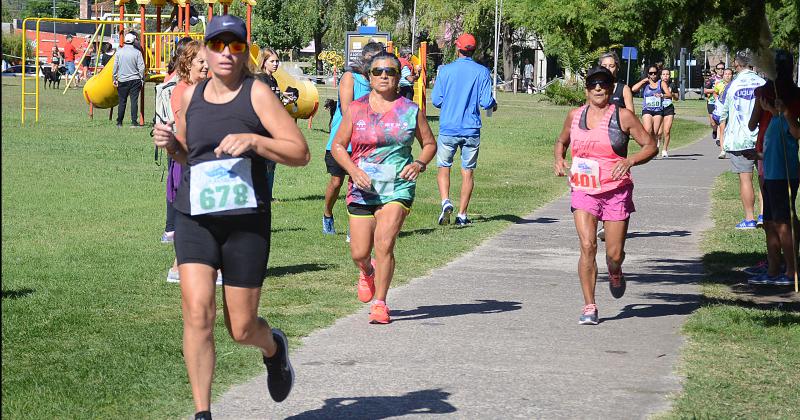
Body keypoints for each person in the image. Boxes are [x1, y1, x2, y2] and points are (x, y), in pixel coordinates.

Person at [152, 15, 309, 419]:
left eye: (235, 45)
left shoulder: (257, 94)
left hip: (244, 222)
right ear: (204, 49)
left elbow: (300, 152)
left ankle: (272, 347)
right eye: (217, 45)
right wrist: (172, 145)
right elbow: (192, 155)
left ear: (245, 51)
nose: (225, 52)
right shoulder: (187, 97)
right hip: (196, 216)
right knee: (197, 311)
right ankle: (202, 413)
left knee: (241, 329)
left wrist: (255, 140)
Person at [331, 51, 437, 324]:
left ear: (398, 76)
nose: (384, 76)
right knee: (359, 253)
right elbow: (338, 146)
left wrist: (419, 164)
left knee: (385, 243)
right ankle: (366, 270)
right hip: (362, 188)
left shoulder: (410, 110)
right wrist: (353, 170)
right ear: (369, 76)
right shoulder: (356, 109)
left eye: (390, 71)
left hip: (397, 187)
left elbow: (429, 144)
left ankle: (380, 302)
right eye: (378, 71)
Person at [554, 66, 658, 325]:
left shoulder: (623, 117)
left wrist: (631, 160)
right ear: (586, 89)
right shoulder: (574, 115)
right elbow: (561, 141)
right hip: (584, 190)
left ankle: (615, 270)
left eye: (603, 83)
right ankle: (589, 305)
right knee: (587, 246)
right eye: (593, 84)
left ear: (611, 88)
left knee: (613, 253)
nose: (598, 88)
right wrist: (559, 159)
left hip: (616, 191)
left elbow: (651, 145)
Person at [745, 49, 799, 286]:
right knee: (770, 220)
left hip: (783, 173)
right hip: (771, 165)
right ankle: (774, 268)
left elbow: (795, 133)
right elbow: (769, 148)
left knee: (783, 221)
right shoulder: (774, 115)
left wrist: (782, 112)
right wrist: (757, 154)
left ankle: (790, 270)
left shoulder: (783, 115)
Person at [431, 33, 496, 226]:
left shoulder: (445, 70)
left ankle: (445, 201)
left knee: (444, 167)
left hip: (448, 128)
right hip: (471, 129)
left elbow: (436, 100)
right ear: (473, 50)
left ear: (457, 48)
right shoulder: (482, 72)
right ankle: (462, 214)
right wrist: (493, 103)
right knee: (467, 172)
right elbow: (486, 102)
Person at [323, 42, 385, 236]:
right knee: (336, 182)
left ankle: (356, 226)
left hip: (365, 142)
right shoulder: (350, 77)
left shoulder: (377, 80)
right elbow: (347, 109)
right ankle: (327, 214)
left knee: (361, 184)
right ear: (365, 59)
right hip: (343, 140)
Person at [163, 40, 209, 283]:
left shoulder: (207, 88)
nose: (205, 66)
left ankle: (182, 268)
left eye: (206, 61)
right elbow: (186, 128)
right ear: (187, 64)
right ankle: (179, 268)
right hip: (188, 158)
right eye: (200, 62)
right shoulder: (182, 90)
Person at [719, 53, 765, 229]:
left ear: (736, 65)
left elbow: (722, 113)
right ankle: (764, 215)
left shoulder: (731, 86)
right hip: (761, 137)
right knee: (763, 178)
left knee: (745, 179)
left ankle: (749, 218)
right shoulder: (762, 83)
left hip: (740, 139)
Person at [256, 47, 289, 201]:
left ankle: (268, 196)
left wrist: (285, 99)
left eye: (277, 61)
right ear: (264, 62)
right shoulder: (259, 79)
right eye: (272, 61)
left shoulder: (273, 79)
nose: (276, 64)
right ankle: (260, 196)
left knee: (271, 164)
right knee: (262, 165)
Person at [113, 33, 145, 128]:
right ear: (133, 41)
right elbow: (141, 67)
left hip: (122, 80)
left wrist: (114, 78)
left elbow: (115, 67)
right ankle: (134, 122)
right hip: (135, 80)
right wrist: (142, 78)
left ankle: (119, 122)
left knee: (122, 101)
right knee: (134, 101)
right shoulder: (137, 52)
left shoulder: (119, 52)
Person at [631, 65, 666, 139]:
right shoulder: (645, 84)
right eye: (651, 73)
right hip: (647, 109)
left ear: (657, 73)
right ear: (648, 74)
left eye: (655, 73)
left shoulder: (661, 83)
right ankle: (647, 147)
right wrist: (644, 80)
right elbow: (633, 89)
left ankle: (652, 148)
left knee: (655, 133)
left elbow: (668, 94)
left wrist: (661, 95)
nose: (653, 75)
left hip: (658, 110)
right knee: (647, 131)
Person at [712, 68, 734, 158]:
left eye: (729, 74)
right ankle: (722, 151)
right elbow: (715, 93)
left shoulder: (734, 85)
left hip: (732, 109)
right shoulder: (719, 84)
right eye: (726, 74)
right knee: (722, 129)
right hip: (722, 110)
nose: (727, 75)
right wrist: (717, 99)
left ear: (732, 75)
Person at [657, 68, 677, 158]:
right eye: (664, 74)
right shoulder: (657, 84)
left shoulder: (672, 85)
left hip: (669, 108)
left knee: (667, 131)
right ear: (661, 76)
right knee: (659, 132)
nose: (665, 76)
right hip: (658, 108)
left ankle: (664, 150)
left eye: (667, 74)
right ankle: (656, 147)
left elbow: (677, 97)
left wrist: (671, 94)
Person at [704, 62, 725, 141]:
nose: (721, 70)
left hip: (723, 103)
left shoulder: (727, 79)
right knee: (713, 122)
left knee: (721, 120)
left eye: (722, 68)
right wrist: (716, 89)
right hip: (712, 102)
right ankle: (714, 130)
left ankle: (719, 139)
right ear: (716, 70)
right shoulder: (712, 79)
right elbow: (705, 90)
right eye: (719, 69)